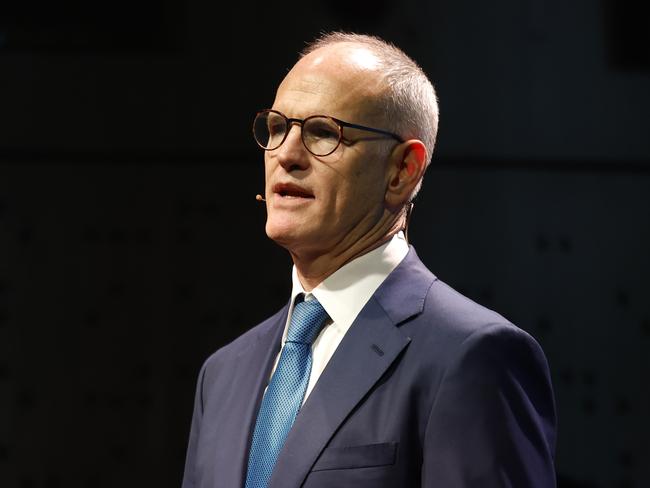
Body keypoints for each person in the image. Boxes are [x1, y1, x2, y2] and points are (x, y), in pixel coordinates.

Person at [182, 32, 556, 488]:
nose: (286, 155)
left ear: (402, 170)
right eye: (277, 127)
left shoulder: (472, 356)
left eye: (323, 132)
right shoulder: (223, 374)